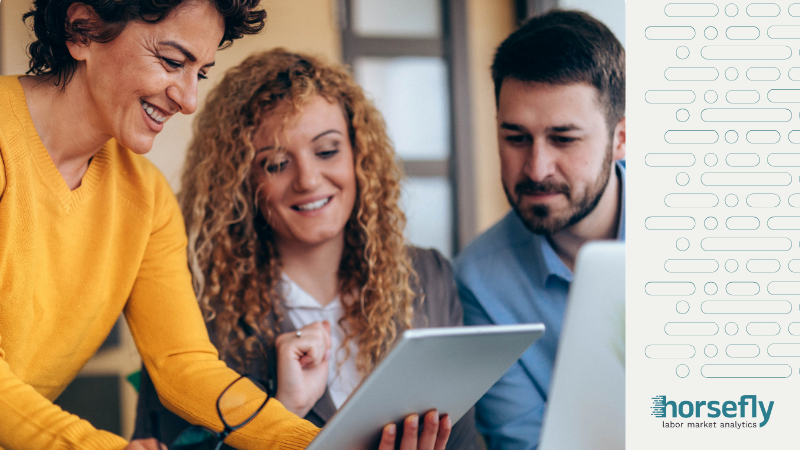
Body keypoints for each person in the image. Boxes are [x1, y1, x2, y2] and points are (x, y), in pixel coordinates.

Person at [0, 1, 444, 448]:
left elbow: (183, 364)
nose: (189, 100)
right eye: (173, 62)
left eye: (200, 72)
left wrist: (311, 443)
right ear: (82, 30)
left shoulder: (147, 199)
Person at [132, 48, 477, 450]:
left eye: (327, 151)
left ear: (359, 154)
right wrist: (283, 409)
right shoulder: (192, 303)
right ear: (243, 182)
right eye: (277, 163)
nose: (309, 180)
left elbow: (465, 441)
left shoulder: (427, 276)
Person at [453, 10, 626, 450]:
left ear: (620, 139)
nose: (536, 168)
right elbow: (527, 444)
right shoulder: (478, 281)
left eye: (563, 139)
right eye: (516, 138)